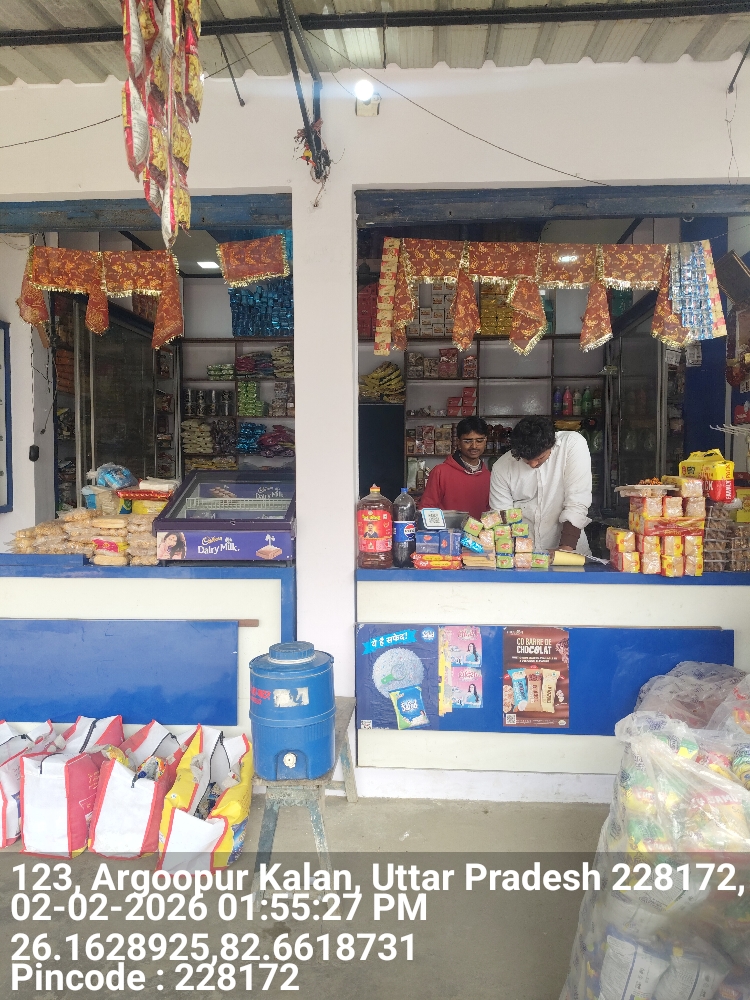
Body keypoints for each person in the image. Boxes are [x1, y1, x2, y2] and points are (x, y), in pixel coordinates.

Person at [489, 415, 592, 552]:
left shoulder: (572, 444)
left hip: (570, 549)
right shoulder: (501, 467)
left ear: (552, 444)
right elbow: (502, 515)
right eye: (526, 460)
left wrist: (565, 549)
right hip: (524, 553)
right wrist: (512, 553)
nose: (533, 464)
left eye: (540, 458)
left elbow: (577, 501)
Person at [417, 416, 491, 520]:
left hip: (480, 531)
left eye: (479, 441)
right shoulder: (440, 472)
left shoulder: (489, 476)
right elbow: (427, 510)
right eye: (467, 441)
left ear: (485, 441)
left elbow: (490, 513)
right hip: (447, 530)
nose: (474, 446)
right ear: (458, 442)